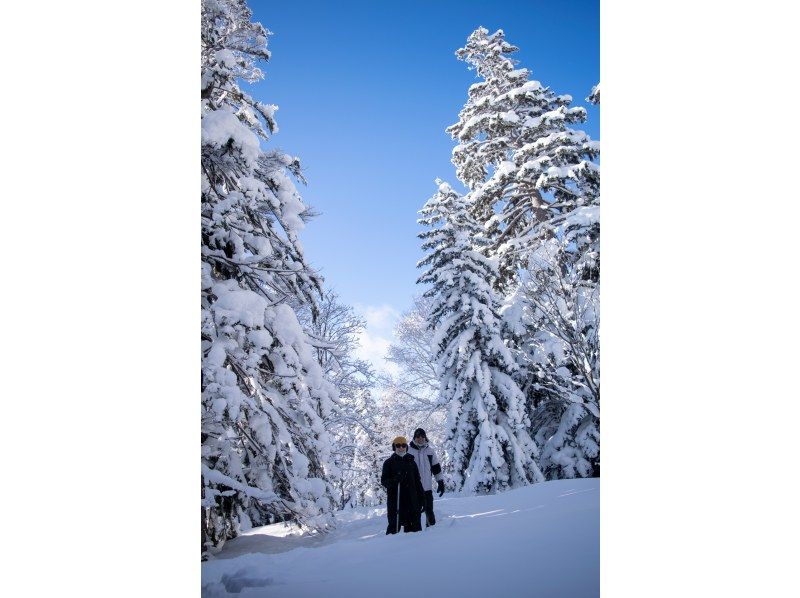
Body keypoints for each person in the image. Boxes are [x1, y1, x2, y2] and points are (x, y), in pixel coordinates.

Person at [380, 436, 425, 534]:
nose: (401, 448)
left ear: (406, 447)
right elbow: (384, 481)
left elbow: (418, 482)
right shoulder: (388, 463)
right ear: (394, 447)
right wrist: (395, 480)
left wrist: (422, 499)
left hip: (412, 502)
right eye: (398, 445)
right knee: (393, 530)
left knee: (415, 533)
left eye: (403, 445)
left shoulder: (411, 462)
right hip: (396, 502)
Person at [407, 428, 445, 528]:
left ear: (425, 437)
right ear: (414, 438)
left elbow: (436, 468)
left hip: (427, 488)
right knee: (414, 513)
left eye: (422, 436)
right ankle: (415, 534)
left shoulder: (430, 451)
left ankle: (431, 533)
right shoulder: (409, 451)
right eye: (418, 437)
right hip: (414, 489)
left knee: (429, 512)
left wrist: (440, 481)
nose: (420, 439)